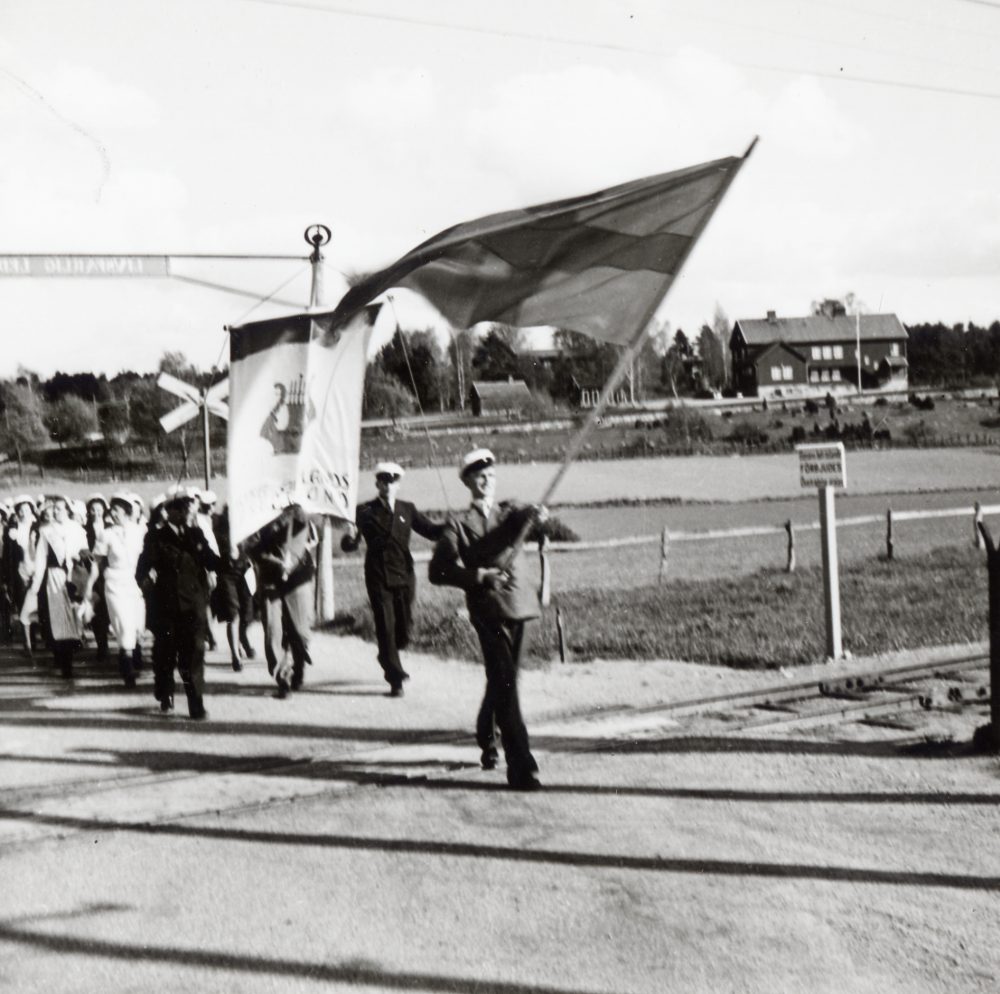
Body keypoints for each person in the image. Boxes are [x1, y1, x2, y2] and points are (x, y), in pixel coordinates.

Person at [429, 449, 547, 791]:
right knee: (506, 683)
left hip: (522, 605)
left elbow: (522, 518)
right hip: (488, 611)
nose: (487, 480)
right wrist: (479, 577)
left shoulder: (510, 511)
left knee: (504, 682)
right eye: (479, 475)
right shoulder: (457, 525)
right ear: (467, 481)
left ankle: (486, 732)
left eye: (491, 474)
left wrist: (536, 515)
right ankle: (521, 767)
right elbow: (438, 571)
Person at [341, 462, 445, 697]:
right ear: (377, 484)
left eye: (393, 481)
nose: (388, 485)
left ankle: (387, 653)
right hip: (378, 576)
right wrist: (349, 535)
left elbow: (430, 531)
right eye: (384, 481)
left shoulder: (407, 509)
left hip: (404, 575)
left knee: (404, 630)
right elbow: (350, 546)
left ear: (399, 484)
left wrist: (454, 526)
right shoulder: (364, 510)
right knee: (386, 627)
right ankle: (395, 678)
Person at [134, 486, 221, 719]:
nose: (186, 512)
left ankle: (196, 702)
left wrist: (229, 559)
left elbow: (211, 561)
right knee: (165, 652)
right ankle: (165, 692)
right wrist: (146, 581)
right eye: (180, 508)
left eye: (188, 507)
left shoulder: (195, 535)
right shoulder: (156, 536)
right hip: (166, 605)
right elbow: (142, 569)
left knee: (194, 653)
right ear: (169, 511)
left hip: (193, 604)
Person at [246, 504, 318, 698]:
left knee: (301, 631)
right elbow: (250, 546)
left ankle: (299, 663)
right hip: (270, 581)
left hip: (298, 578)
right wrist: (275, 562)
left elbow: (305, 536)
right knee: (274, 631)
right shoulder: (256, 514)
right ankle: (283, 676)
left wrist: (290, 561)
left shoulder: (299, 514)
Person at [22, 495, 88, 678]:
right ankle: (64, 660)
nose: (55, 512)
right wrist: (36, 584)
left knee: (74, 616)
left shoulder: (77, 529)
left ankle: (68, 656)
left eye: (59, 508)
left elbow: (86, 552)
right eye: (54, 509)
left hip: (74, 576)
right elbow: (41, 558)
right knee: (58, 618)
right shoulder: (46, 531)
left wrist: (79, 558)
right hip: (54, 577)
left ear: (67, 510)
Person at [84, 493, 146, 687]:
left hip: (134, 583)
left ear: (127, 511)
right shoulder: (106, 534)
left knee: (137, 625)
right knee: (124, 624)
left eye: (117, 510)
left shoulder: (139, 531)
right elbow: (97, 564)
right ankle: (127, 669)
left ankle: (133, 655)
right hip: (114, 584)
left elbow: (147, 556)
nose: (113, 513)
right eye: (112, 510)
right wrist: (89, 586)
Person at [211, 503, 256, 671]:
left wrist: (245, 549)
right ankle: (235, 655)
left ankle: (242, 637)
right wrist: (226, 550)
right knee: (233, 614)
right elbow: (213, 549)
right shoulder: (219, 529)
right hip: (226, 573)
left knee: (247, 613)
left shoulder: (247, 526)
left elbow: (256, 542)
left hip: (244, 571)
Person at [83, 494, 112, 662]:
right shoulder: (84, 530)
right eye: (92, 510)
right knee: (97, 607)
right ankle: (102, 645)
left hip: (110, 571)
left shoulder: (111, 527)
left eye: (99, 509)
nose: (96, 513)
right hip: (92, 572)